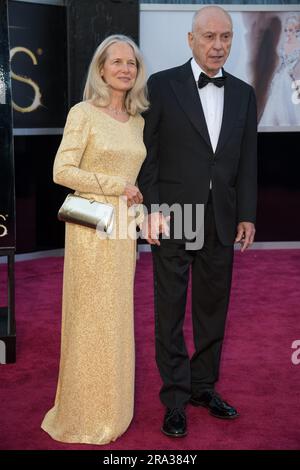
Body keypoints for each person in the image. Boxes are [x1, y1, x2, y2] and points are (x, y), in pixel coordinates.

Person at [138, 6, 257, 437]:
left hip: (221, 217)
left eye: (225, 37)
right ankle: (174, 397)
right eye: (209, 36)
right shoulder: (162, 85)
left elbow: (246, 162)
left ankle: (203, 387)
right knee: (170, 310)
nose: (218, 45)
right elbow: (147, 156)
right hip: (174, 215)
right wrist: (150, 210)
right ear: (191, 40)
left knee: (213, 308)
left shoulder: (244, 92)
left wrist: (246, 213)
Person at [41, 34, 148, 445]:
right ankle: (84, 412)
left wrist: (140, 220)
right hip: (90, 230)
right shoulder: (82, 113)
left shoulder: (138, 121)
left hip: (122, 232)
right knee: (90, 320)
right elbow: (62, 171)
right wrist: (114, 184)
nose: (125, 69)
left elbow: (135, 187)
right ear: (100, 69)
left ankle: (114, 411)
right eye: (116, 62)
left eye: (132, 64)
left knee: (117, 320)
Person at [260, 14, 300, 127]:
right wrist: (277, 74)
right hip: (282, 74)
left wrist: (293, 73)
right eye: (286, 30)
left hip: (292, 77)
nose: (288, 32)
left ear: (296, 30)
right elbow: (283, 62)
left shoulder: (298, 45)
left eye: (291, 30)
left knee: (290, 100)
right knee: (276, 99)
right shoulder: (285, 45)